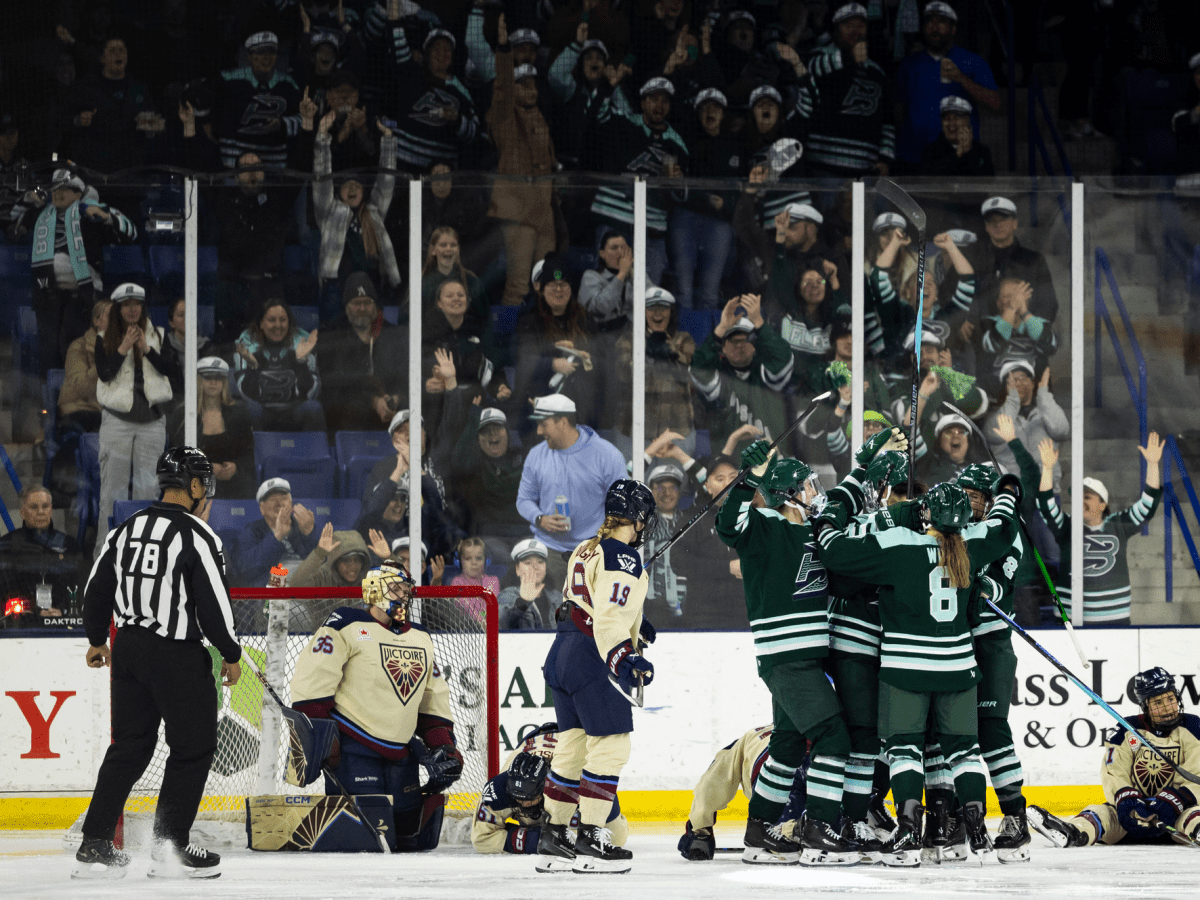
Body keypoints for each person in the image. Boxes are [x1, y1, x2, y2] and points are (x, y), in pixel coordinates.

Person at [816, 473, 1022, 866]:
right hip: (959, 668)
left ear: (926, 514)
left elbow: (836, 553)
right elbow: (1004, 524)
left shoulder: (900, 545)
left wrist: (826, 520)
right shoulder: (973, 544)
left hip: (905, 669)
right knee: (964, 751)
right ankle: (974, 824)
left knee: (904, 749)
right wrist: (1008, 493)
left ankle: (909, 830)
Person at [716, 438, 891, 866]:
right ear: (790, 494)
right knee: (834, 736)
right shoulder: (765, 527)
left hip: (804, 657)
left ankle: (759, 833)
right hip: (786, 657)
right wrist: (748, 479)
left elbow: (841, 505)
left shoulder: (813, 530)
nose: (816, 492)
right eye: (809, 486)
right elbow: (727, 525)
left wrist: (863, 467)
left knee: (789, 747)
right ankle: (820, 828)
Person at [74, 448, 240, 880]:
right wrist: (232, 653)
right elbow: (214, 607)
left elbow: (96, 589)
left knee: (129, 747)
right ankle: (170, 850)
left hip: (126, 649)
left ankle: (94, 844)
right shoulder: (200, 537)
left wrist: (96, 640)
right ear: (197, 486)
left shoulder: (125, 529)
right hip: (176, 654)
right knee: (193, 746)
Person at [291, 558, 464, 852]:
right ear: (373, 590)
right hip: (353, 749)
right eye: (396, 589)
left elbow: (432, 696)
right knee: (364, 846)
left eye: (407, 590)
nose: (403, 596)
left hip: (401, 754)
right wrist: (321, 740)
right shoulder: (345, 623)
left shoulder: (421, 636)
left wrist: (442, 744)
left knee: (409, 842)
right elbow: (313, 683)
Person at [536, 480, 656, 874]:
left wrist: (638, 624)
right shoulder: (624, 557)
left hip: (562, 652)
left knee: (571, 747)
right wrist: (626, 659)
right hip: (591, 656)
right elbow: (606, 618)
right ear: (638, 518)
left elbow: (592, 599)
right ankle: (591, 836)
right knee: (611, 745)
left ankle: (555, 836)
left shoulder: (586, 547)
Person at [951, 463, 1031, 862]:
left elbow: (1004, 580)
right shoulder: (954, 529)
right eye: (962, 495)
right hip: (957, 646)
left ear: (990, 501)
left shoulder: (1006, 529)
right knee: (951, 733)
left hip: (992, 643)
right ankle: (951, 817)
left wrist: (985, 586)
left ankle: (1016, 817)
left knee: (991, 730)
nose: (967, 502)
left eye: (974, 497)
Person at [1030, 667, 1200, 848]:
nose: (1167, 707)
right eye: (1158, 702)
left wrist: (1174, 801)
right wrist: (1127, 801)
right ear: (1146, 706)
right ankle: (1074, 833)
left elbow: (1196, 775)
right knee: (1101, 812)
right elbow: (1114, 771)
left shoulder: (1193, 727)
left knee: (1195, 813)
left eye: (1171, 699)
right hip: (1132, 818)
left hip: (1175, 816)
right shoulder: (1127, 729)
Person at [1036, 433, 1163, 625]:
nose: (1081, 501)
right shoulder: (1067, 527)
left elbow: (1148, 504)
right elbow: (1045, 505)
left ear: (1102, 505)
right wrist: (1047, 468)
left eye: (1087, 497)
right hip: (1070, 622)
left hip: (1115, 621)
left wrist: (1153, 464)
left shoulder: (1118, 526)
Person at [20, 168, 137, 373]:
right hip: (48, 296)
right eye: (55, 188)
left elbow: (132, 232)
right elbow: (13, 222)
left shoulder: (89, 213)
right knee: (49, 356)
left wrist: (105, 217)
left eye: (65, 188)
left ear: (78, 194)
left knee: (81, 356)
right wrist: (29, 199)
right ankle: (52, 399)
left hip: (83, 298)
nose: (58, 192)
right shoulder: (42, 216)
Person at [515, 395, 627, 592]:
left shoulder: (607, 455)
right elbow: (524, 500)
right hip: (548, 552)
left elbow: (623, 506)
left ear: (563, 422)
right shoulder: (536, 455)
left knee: (590, 618)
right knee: (551, 616)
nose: (539, 431)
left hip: (593, 553)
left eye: (544, 424)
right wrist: (540, 518)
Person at [488, 14, 560, 309]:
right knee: (518, 284)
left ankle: (548, 341)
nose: (530, 90)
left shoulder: (540, 116)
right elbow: (502, 90)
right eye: (523, 85)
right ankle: (504, 341)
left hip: (544, 212)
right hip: (518, 211)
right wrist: (505, 52)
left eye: (533, 85)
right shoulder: (504, 117)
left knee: (551, 282)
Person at [94, 283, 173, 551]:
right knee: (112, 492)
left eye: (136, 304)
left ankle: (143, 551)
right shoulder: (104, 336)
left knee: (147, 491)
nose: (132, 309)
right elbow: (105, 374)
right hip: (117, 421)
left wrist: (147, 348)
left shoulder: (159, 334)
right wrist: (124, 346)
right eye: (127, 304)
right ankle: (105, 554)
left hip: (152, 421)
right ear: (118, 308)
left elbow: (171, 368)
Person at [588, 75, 689, 285]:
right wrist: (609, 85)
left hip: (651, 229)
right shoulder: (622, 124)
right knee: (604, 287)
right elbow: (594, 114)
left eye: (664, 101)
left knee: (649, 295)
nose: (659, 105)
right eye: (653, 99)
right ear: (643, 103)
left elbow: (683, 196)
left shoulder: (677, 143)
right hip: (614, 219)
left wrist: (676, 182)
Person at [678, 724, 809, 861]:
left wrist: (699, 828)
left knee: (782, 833)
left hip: (778, 758)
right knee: (784, 834)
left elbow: (712, 783)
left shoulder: (757, 736)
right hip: (784, 761)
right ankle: (796, 831)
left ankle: (699, 834)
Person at [894, 1, 1000, 170]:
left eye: (942, 22)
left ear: (953, 29)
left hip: (958, 157)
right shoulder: (909, 64)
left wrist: (961, 78)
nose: (934, 27)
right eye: (930, 22)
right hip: (912, 157)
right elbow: (898, 110)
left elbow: (996, 104)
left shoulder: (972, 61)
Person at [314, 111, 399, 319]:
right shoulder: (329, 211)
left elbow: (386, 182)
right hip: (336, 286)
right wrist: (323, 138)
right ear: (339, 192)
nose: (352, 189)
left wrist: (388, 141)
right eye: (346, 185)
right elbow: (322, 180)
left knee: (375, 334)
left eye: (357, 185)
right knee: (333, 336)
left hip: (372, 283)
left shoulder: (373, 211)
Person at [473, 742, 628, 856]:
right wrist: (538, 840)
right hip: (535, 740)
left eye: (531, 798)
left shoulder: (577, 784)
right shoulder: (497, 789)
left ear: (546, 789)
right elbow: (481, 839)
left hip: (568, 741)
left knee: (615, 834)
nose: (525, 804)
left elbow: (617, 836)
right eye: (518, 799)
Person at [794, 4, 894, 177]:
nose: (855, 31)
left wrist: (885, 158)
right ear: (835, 31)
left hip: (865, 169)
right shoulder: (817, 57)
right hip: (822, 167)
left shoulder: (878, 72)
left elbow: (888, 121)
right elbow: (810, 72)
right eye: (848, 25)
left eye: (860, 25)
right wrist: (849, 58)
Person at [378, 16, 479, 173]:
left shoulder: (461, 90)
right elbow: (395, 35)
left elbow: (475, 135)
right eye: (436, 48)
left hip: (438, 176)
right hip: (401, 167)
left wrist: (457, 120)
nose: (442, 53)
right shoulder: (411, 72)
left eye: (447, 50)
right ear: (427, 53)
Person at [315, 272, 408, 433]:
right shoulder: (332, 335)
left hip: (389, 404)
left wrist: (395, 399)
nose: (362, 309)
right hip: (350, 409)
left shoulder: (392, 334)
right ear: (346, 306)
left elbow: (404, 375)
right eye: (356, 303)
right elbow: (333, 385)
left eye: (367, 303)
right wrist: (372, 402)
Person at [512, 256, 599, 427]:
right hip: (540, 404)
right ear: (542, 289)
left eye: (564, 284)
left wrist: (587, 359)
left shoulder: (585, 319)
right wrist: (552, 364)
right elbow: (523, 360)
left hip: (580, 405)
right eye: (552, 285)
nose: (559, 290)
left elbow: (602, 359)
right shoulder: (529, 321)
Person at [64, 36, 164, 174]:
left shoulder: (138, 88)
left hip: (131, 168)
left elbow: (154, 123)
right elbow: (64, 119)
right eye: (112, 50)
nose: (118, 54)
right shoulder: (86, 87)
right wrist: (78, 120)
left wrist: (153, 127)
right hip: (94, 168)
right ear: (103, 58)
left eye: (122, 50)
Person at [166, 357, 256, 501]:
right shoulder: (183, 415)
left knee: (247, 484)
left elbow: (248, 453)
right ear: (198, 380)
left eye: (218, 378)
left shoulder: (239, 412)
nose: (213, 382)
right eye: (208, 377)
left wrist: (236, 466)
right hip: (196, 481)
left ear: (225, 382)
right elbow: (177, 457)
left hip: (233, 482)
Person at [234, 297, 325, 431]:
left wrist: (300, 362)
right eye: (271, 320)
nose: (278, 325)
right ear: (261, 323)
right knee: (250, 409)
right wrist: (253, 367)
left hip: (294, 412)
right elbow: (245, 394)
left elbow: (312, 392)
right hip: (262, 412)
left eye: (283, 320)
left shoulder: (302, 341)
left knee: (313, 408)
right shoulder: (247, 342)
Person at [449, 405, 527, 557]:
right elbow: (457, 463)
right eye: (485, 431)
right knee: (502, 558)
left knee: (534, 557)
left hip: (524, 532)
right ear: (478, 439)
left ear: (507, 432)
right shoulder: (474, 465)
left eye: (498, 428)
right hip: (490, 536)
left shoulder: (523, 458)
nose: (492, 434)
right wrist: (473, 421)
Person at [214, 32, 301, 168]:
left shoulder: (288, 84)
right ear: (249, 56)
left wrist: (282, 125)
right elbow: (209, 114)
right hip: (231, 166)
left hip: (274, 168)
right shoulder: (227, 79)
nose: (266, 58)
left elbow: (304, 120)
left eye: (271, 52)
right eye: (260, 52)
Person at [967, 196, 1059, 325]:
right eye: (991, 220)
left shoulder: (1033, 261)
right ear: (986, 226)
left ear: (1014, 223)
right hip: (983, 337)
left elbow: (1048, 305)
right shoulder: (974, 259)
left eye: (1003, 219)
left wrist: (1033, 329)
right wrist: (970, 322)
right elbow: (962, 299)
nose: (997, 224)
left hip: (1025, 337)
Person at [0, 486, 86, 617]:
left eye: (45, 506)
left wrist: (63, 611)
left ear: (51, 510)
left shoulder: (69, 545)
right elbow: (4, 591)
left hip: (64, 622)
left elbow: (80, 588)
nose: (41, 512)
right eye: (34, 507)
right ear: (22, 512)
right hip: (20, 625)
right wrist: (34, 612)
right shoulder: (7, 545)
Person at [984, 360, 1068, 492]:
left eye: (1023, 378)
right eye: (1012, 381)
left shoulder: (1045, 414)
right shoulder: (994, 418)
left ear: (1033, 382)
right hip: (1012, 495)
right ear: (1005, 387)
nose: (1018, 383)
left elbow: (1061, 430)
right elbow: (995, 433)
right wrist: (1012, 399)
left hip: (1046, 492)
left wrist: (1044, 395)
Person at [232, 478, 318, 588]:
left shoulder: (303, 525)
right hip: (272, 590)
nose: (279, 503)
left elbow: (323, 562)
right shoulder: (251, 531)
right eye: (272, 499)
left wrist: (309, 532)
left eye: (283, 498)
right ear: (262, 508)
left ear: (291, 503)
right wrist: (276, 536)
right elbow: (246, 571)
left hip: (306, 587)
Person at [59, 299, 109, 435]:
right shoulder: (78, 347)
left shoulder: (123, 350)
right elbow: (81, 388)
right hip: (81, 413)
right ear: (96, 321)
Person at [920, 96, 995, 177]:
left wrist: (969, 152)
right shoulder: (931, 150)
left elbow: (987, 180)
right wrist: (958, 154)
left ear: (967, 121)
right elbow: (927, 176)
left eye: (956, 119)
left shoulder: (982, 151)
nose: (951, 125)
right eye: (947, 119)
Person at [290, 523, 371, 589]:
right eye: (346, 561)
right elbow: (295, 587)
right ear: (336, 562)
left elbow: (381, 602)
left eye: (357, 560)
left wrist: (384, 559)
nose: (353, 566)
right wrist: (319, 553)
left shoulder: (367, 580)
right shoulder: (323, 577)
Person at [498, 538, 556, 630]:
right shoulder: (506, 595)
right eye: (528, 563)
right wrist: (523, 602)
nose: (535, 567)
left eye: (540, 562)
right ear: (517, 569)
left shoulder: (558, 597)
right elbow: (501, 623)